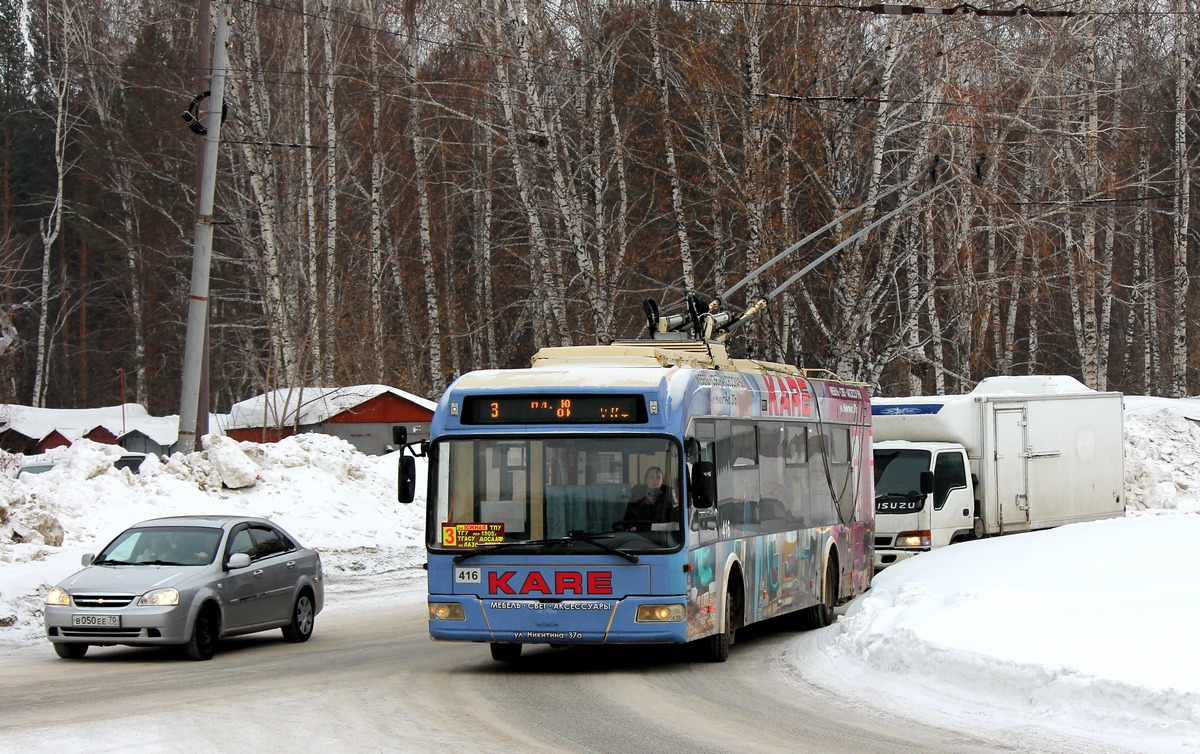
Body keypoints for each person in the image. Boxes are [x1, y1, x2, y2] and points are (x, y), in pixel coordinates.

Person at [620, 466, 676, 531]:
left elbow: (673, 517)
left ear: (662, 480)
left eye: (658, 477)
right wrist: (631, 527)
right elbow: (628, 520)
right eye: (652, 477)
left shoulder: (668, 495)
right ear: (646, 480)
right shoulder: (637, 495)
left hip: (662, 536)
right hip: (640, 535)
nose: (655, 480)